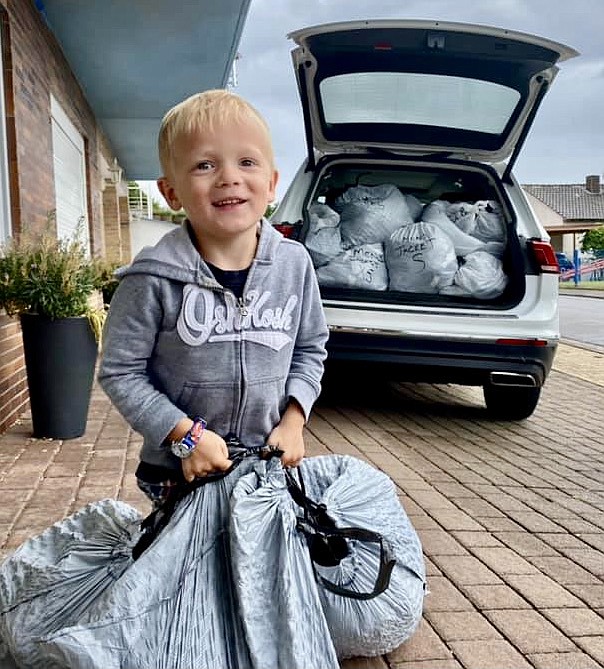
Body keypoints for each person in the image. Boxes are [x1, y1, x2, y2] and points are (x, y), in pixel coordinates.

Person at [98, 89, 329, 508]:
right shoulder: (151, 279)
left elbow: (310, 348)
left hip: (266, 466)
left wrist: (294, 421)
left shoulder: (295, 266)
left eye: (247, 162)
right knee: (189, 573)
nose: (229, 177)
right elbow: (120, 372)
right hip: (179, 471)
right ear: (171, 192)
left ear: (272, 183)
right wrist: (184, 435)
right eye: (205, 164)